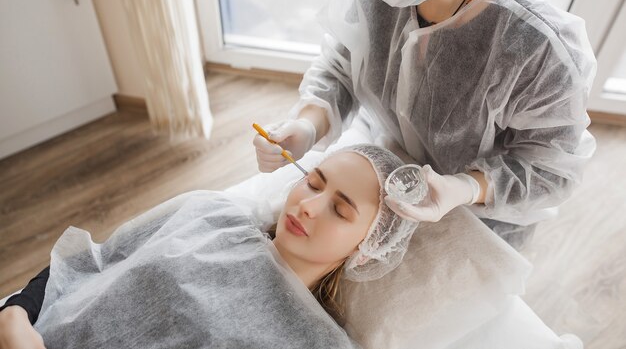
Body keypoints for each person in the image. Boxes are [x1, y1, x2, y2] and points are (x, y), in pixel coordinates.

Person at [254, 0, 596, 249]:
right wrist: (308, 124)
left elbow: (550, 169)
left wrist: (466, 187)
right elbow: (343, 67)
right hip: (385, 178)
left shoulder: (539, 49)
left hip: (478, 221)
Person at [0, 145, 416, 349]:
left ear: (368, 248)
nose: (308, 207)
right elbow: (91, 262)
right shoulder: (209, 213)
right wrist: (15, 314)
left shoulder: (317, 343)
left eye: (340, 211)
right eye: (313, 182)